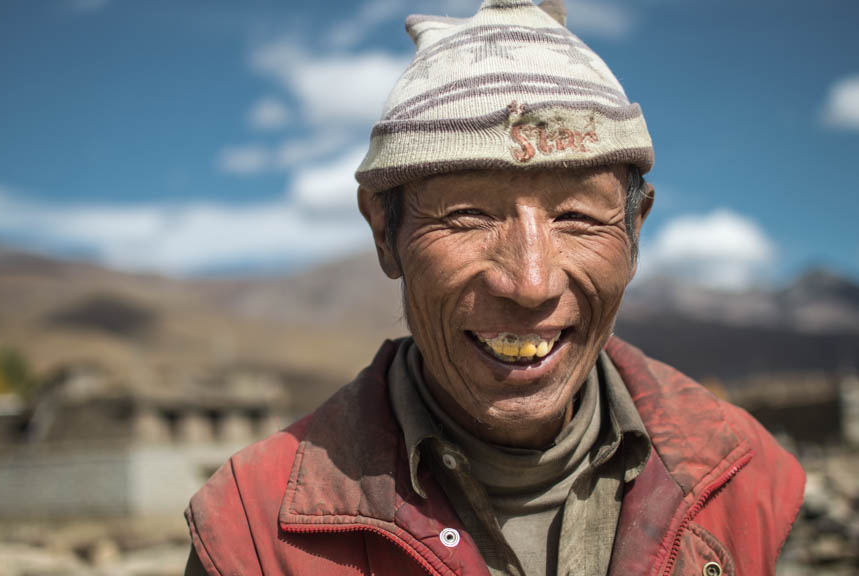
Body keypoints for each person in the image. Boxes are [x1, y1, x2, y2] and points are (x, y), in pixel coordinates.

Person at [184, 1, 804, 574]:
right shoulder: (254, 534)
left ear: (634, 231)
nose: (531, 283)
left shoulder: (746, 480)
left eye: (578, 218)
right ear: (384, 232)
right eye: (467, 216)